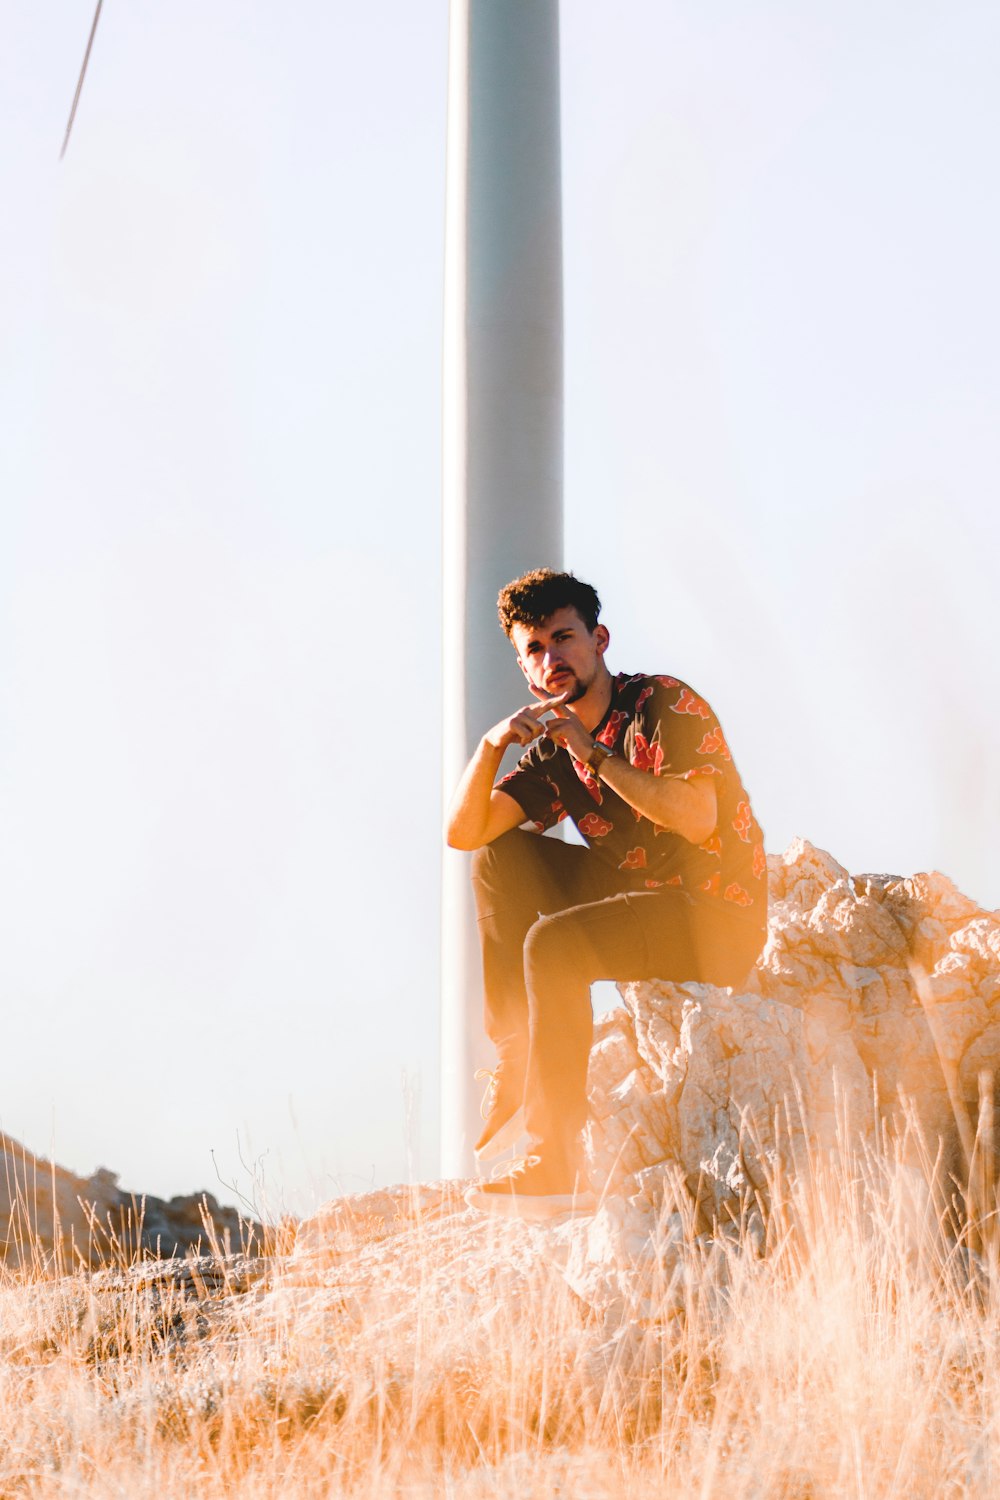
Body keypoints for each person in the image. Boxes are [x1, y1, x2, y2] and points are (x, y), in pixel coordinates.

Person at [446, 569, 766, 1219]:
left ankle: (554, 1160)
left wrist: (593, 755)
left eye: (563, 638)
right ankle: (514, 1048)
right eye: (534, 649)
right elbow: (465, 832)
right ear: (524, 669)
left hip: (715, 915)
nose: (551, 657)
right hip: (638, 896)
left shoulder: (662, 704)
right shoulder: (553, 750)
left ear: (599, 640)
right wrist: (488, 747)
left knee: (556, 945)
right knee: (496, 857)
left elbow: (697, 818)